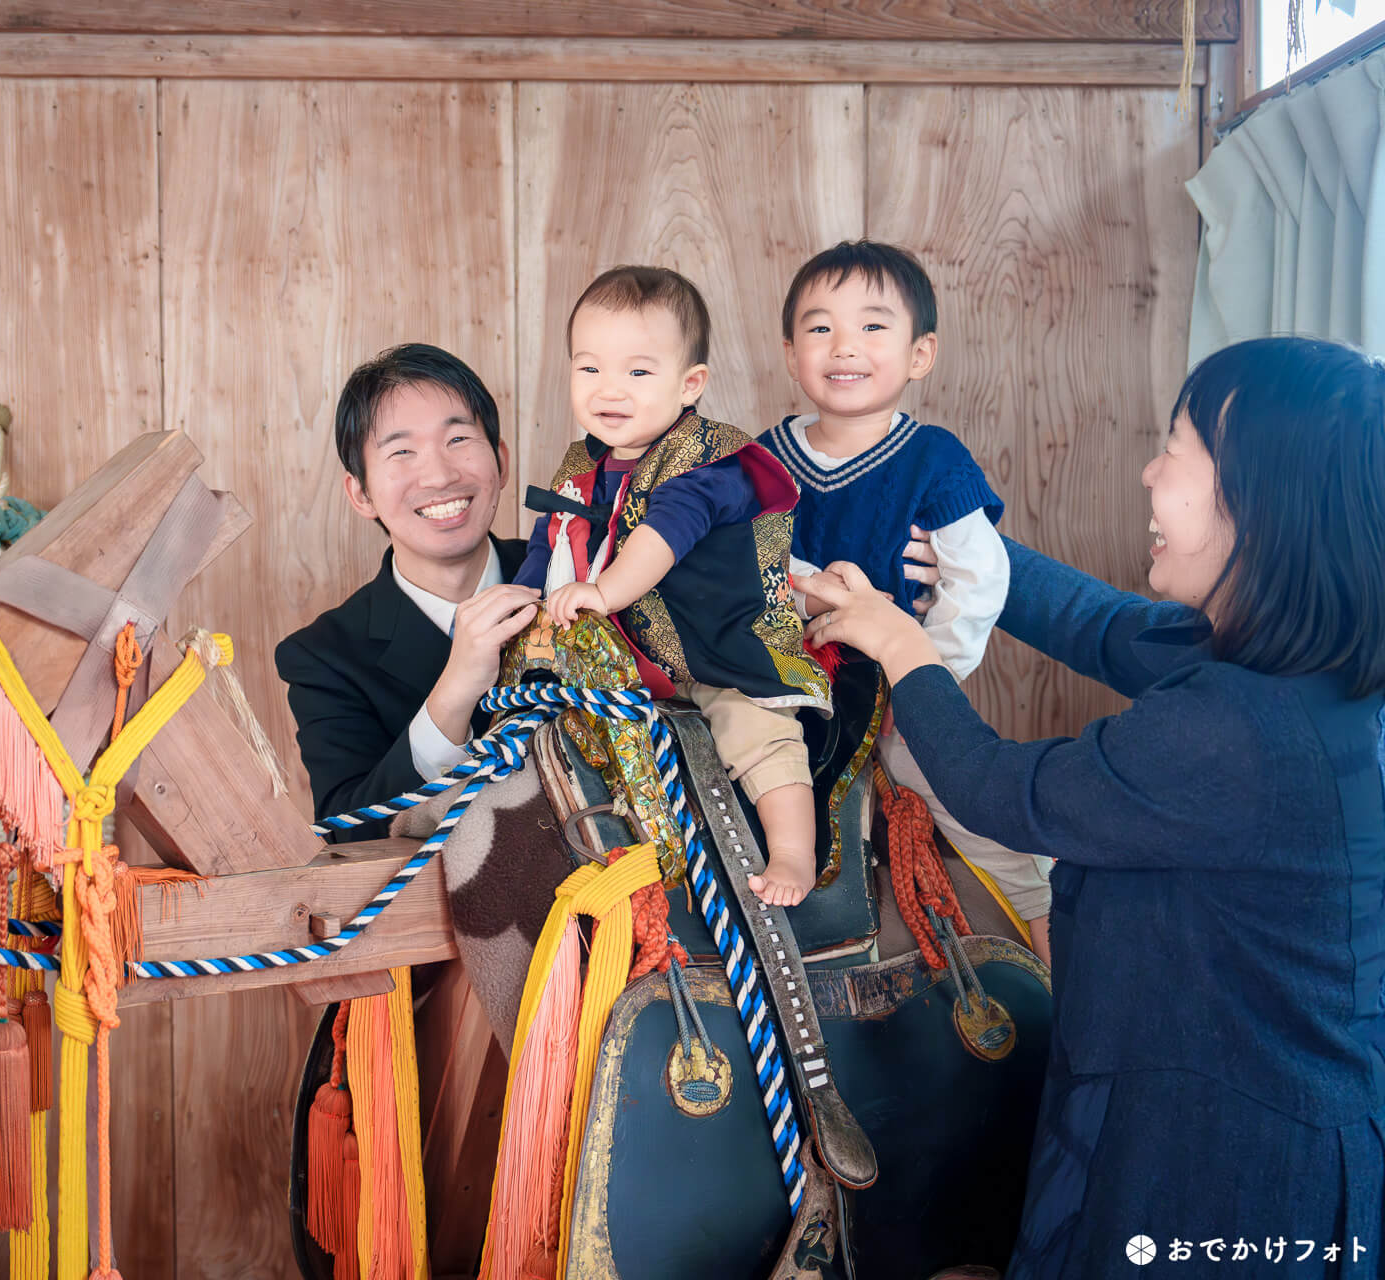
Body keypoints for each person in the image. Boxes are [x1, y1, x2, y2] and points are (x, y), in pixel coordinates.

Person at [803, 336, 1385, 1278]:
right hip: (1218, 1107)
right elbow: (1099, 623)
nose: (1150, 473)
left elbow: (999, 788)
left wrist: (897, 642)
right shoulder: (1288, 669)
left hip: (1226, 1158)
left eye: (1177, 449)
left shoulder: (1236, 731)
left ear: (1263, 501)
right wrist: (960, 543)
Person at [759, 239, 1052, 960]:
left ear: (920, 354)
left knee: (984, 819)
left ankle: (1053, 946)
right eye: (820, 327)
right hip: (799, 691)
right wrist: (802, 593)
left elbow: (976, 578)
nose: (844, 346)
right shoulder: (765, 457)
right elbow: (754, 562)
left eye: (873, 326)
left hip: (901, 692)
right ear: (791, 350)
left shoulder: (934, 457)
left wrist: (928, 675)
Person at [513, 265, 831, 904]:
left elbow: (662, 536)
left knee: (757, 732)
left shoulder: (710, 462)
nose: (610, 388)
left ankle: (795, 855)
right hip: (629, 665)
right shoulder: (583, 465)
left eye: (637, 371)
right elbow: (551, 546)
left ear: (690, 385)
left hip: (722, 648)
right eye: (589, 368)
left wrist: (603, 594)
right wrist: (523, 609)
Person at [275, 343, 540, 840]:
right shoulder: (323, 656)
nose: (439, 475)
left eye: (458, 439)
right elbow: (348, 834)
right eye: (401, 452)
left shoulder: (576, 576)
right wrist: (453, 692)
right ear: (362, 493)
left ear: (501, 462)